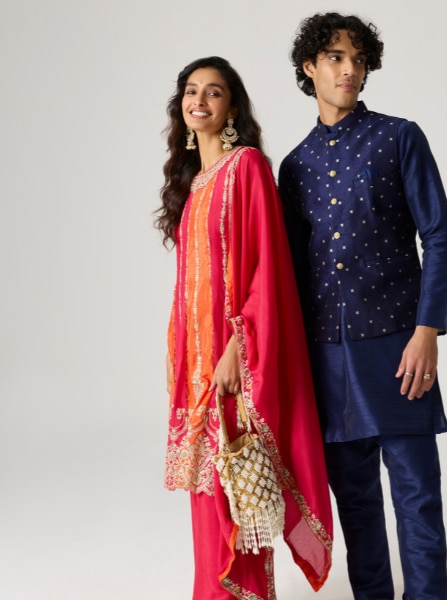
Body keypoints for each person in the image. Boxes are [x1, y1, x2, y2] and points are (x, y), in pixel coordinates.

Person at [278, 13, 447, 600]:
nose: (349, 69)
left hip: (398, 344)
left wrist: (427, 330)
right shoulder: (295, 166)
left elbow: (439, 234)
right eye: (335, 57)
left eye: (358, 58)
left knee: (416, 493)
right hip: (327, 355)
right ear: (310, 67)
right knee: (354, 500)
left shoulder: (399, 137)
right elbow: (290, 271)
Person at [155, 56, 333, 599]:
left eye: (213, 92)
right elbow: (190, 284)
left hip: (234, 359)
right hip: (195, 364)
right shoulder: (193, 186)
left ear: (232, 108)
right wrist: (176, 352)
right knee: (207, 495)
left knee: (237, 487)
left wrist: (239, 345)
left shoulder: (246, 167)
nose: (199, 101)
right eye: (191, 91)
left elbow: (267, 268)